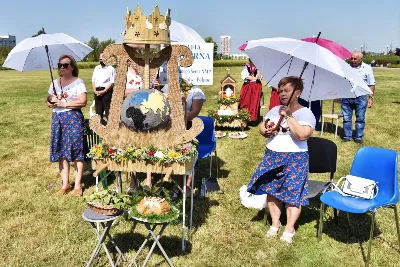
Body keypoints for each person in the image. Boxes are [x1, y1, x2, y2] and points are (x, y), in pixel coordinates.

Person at [247, 76, 316, 244]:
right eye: (280, 90)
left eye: (286, 90)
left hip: (295, 157)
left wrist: (289, 116)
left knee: (293, 194)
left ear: (298, 92)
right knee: (272, 190)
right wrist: (265, 131)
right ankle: (275, 223)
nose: (282, 94)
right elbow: (262, 127)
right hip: (272, 154)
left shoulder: (306, 112)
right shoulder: (274, 110)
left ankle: (289, 228)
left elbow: (302, 135)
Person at [46, 55, 87, 196]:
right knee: (61, 151)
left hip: (73, 118)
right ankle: (65, 184)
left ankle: (77, 185)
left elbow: (82, 101)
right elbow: (48, 102)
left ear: (72, 66)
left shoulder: (78, 82)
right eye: (60, 65)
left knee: (77, 151)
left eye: (65, 65)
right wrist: (52, 101)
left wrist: (65, 103)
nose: (62, 68)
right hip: (57, 118)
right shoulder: (54, 83)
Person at [161, 82, 206, 196]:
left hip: (188, 127)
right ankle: (180, 186)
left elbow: (195, 111)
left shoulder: (196, 90)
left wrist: (180, 121)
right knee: (169, 156)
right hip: (168, 128)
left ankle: (187, 186)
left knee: (187, 157)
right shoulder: (168, 86)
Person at [123, 60, 153, 192]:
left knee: (148, 146)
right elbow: (121, 92)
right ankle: (133, 181)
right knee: (131, 147)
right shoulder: (124, 74)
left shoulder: (146, 74)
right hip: (130, 115)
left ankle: (149, 180)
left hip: (146, 115)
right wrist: (138, 91)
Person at [341, 51, 375, 143]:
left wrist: (371, 98)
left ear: (361, 59)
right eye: (351, 58)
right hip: (346, 96)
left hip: (360, 97)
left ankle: (358, 137)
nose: (352, 60)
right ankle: (347, 136)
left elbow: (371, 84)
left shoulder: (367, 68)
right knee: (346, 118)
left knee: (360, 118)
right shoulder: (345, 67)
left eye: (355, 59)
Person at [92, 53, 116, 123]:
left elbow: (112, 82)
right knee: (98, 112)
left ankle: (110, 128)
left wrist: (104, 91)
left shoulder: (111, 69)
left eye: (102, 59)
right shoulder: (96, 68)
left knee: (108, 112)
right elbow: (93, 81)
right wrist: (94, 90)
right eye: (100, 59)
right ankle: (100, 127)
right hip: (97, 91)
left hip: (107, 92)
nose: (101, 60)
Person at [239, 59, 263, 123]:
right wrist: (253, 78)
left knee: (254, 102)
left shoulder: (258, 66)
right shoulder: (247, 66)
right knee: (245, 101)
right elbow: (245, 76)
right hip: (248, 86)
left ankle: (253, 118)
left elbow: (258, 77)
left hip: (256, 87)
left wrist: (258, 69)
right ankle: (244, 116)